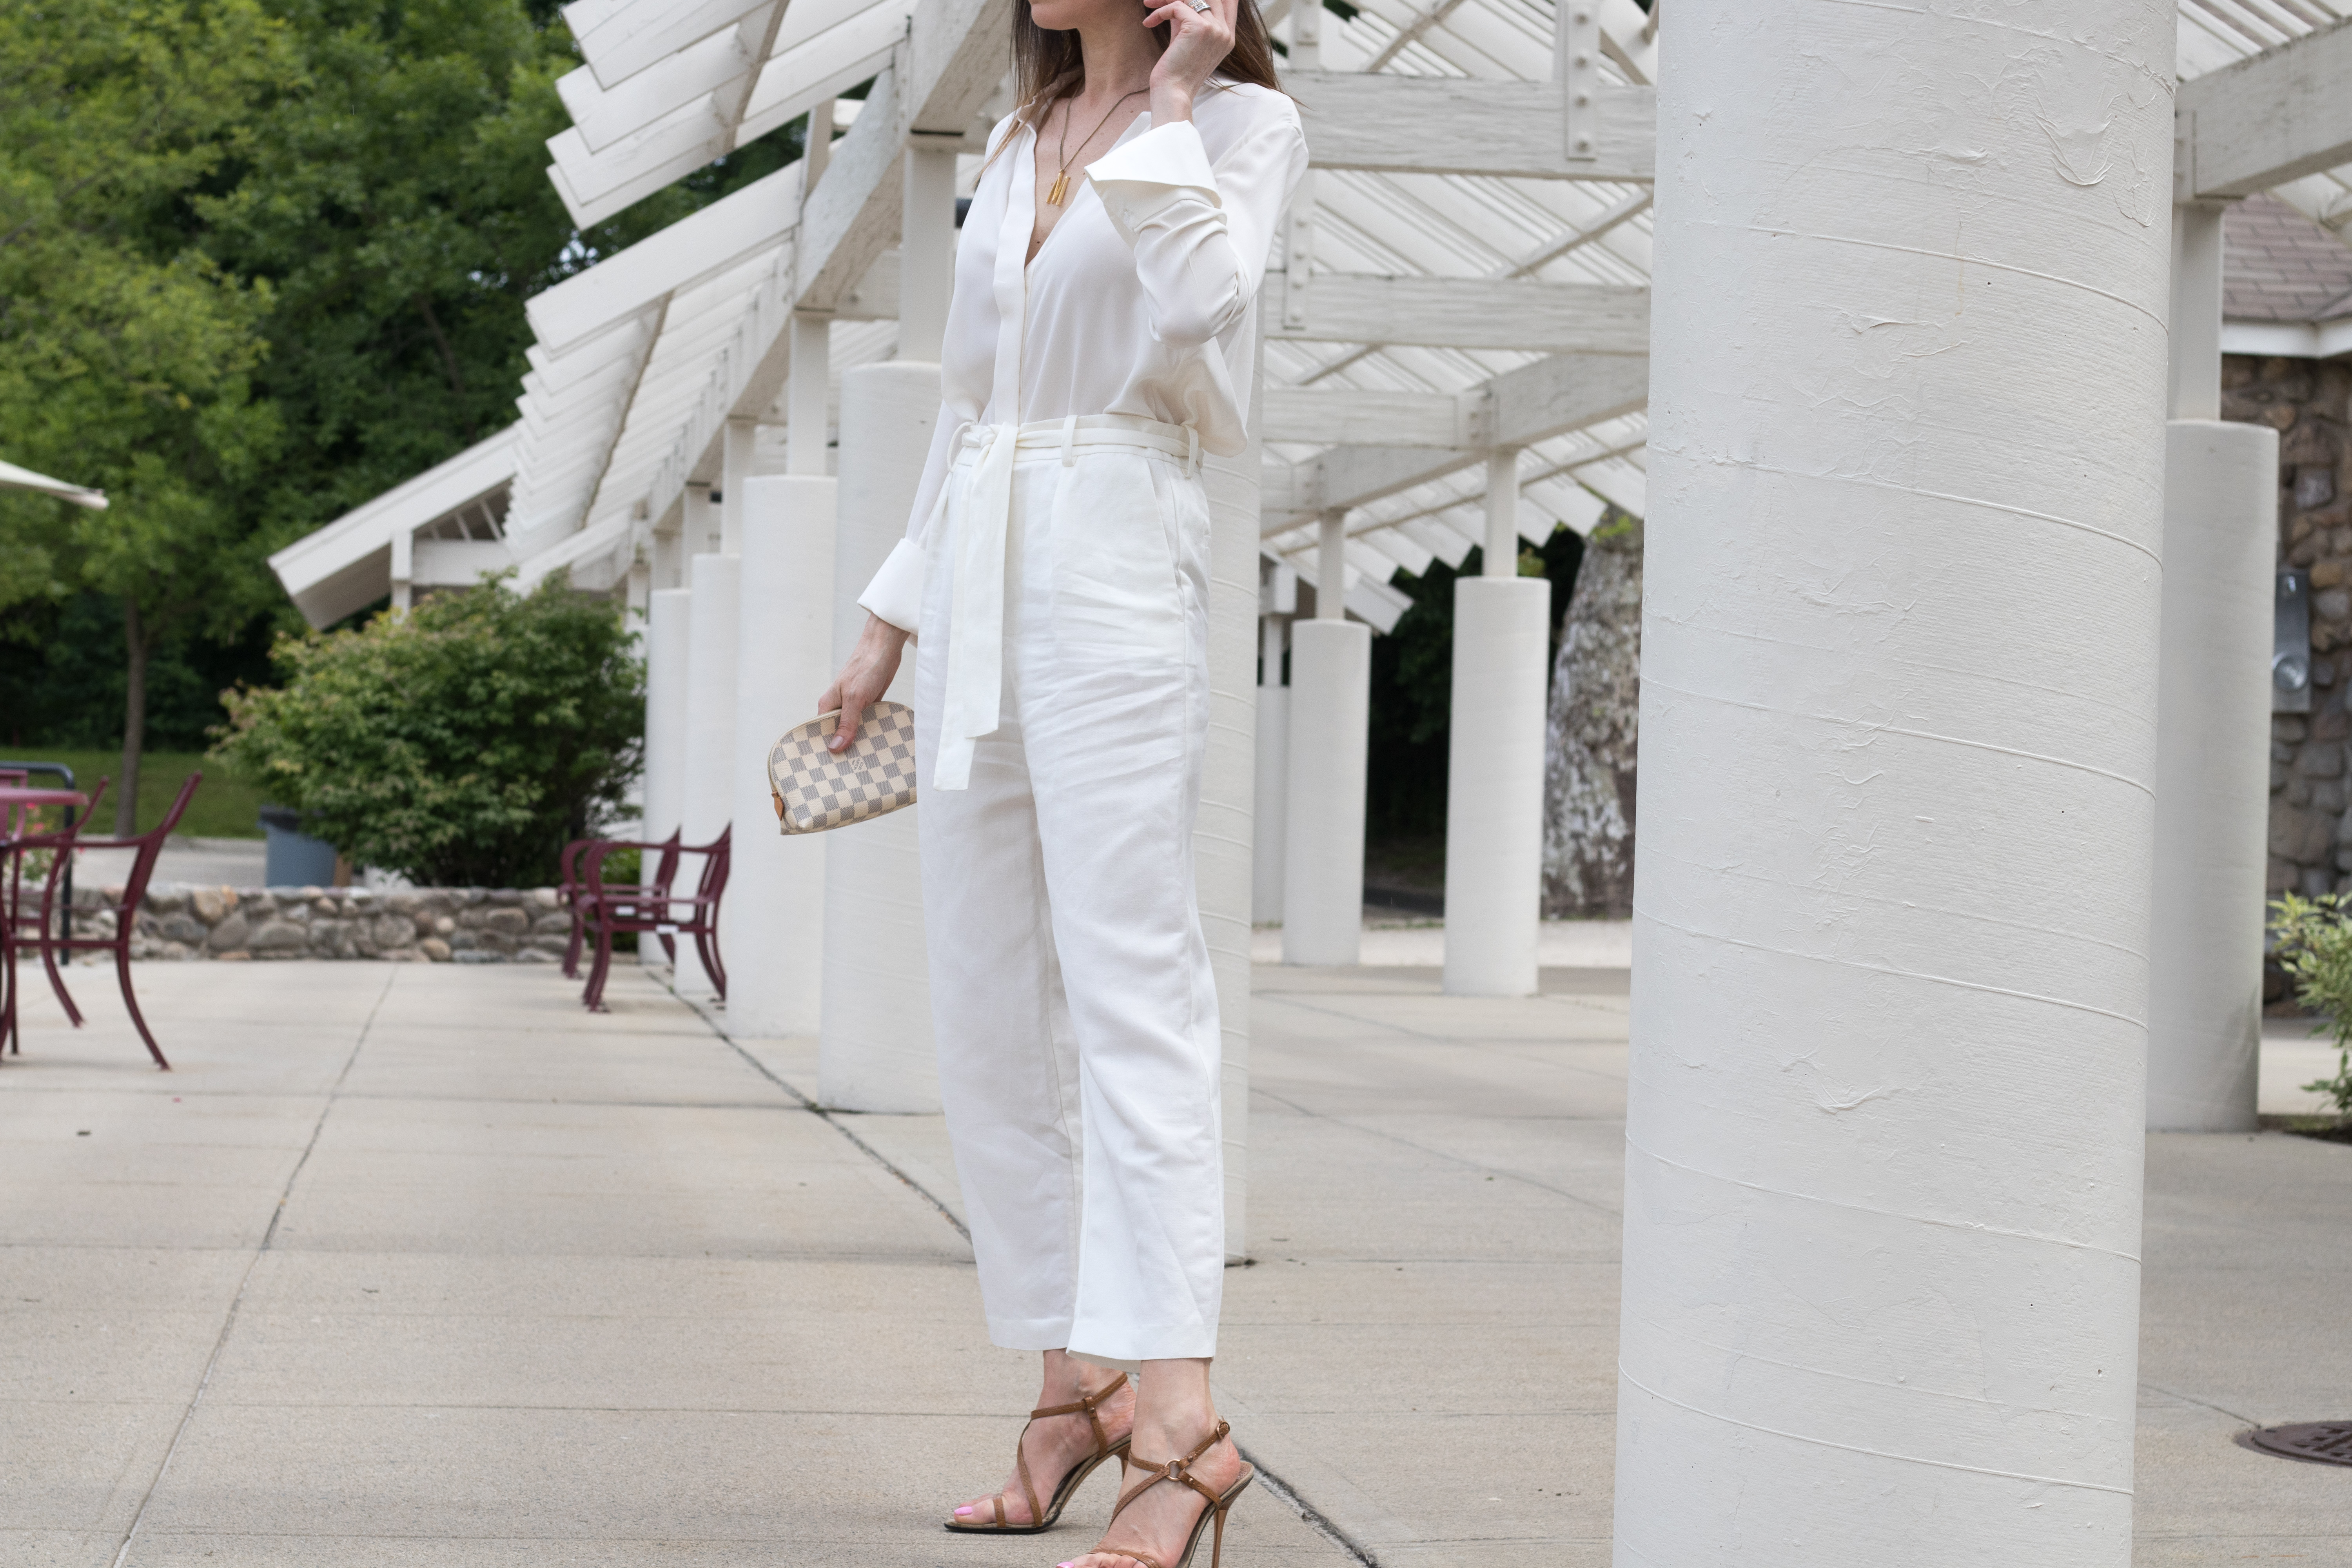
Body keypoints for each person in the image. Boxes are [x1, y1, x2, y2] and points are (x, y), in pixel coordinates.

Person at [816, 0, 1305, 1560]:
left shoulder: (1240, 130)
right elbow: (972, 402)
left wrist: (1176, 95)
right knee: (984, 993)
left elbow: (1206, 304)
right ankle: (1067, 1378)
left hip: (1116, 554)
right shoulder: (1021, 137)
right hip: (980, 567)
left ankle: (1180, 1422)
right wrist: (890, 614)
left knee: (1131, 987)